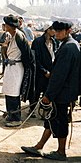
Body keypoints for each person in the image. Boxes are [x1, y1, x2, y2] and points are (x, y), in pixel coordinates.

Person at [21, 20, 80, 161]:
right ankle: (39, 146)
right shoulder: (70, 45)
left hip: (62, 92)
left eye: (60, 31)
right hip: (65, 91)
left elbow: (59, 76)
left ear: (68, 31)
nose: (56, 33)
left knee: (59, 121)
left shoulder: (67, 48)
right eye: (55, 30)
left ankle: (61, 152)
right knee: (51, 118)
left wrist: (49, 95)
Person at [1, 14, 35, 127]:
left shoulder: (19, 36)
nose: (4, 26)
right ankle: (10, 114)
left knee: (14, 92)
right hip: (10, 67)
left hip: (16, 67)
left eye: (6, 24)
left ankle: (16, 118)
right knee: (8, 91)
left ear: (10, 25)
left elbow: (27, 54)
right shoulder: (10, 35)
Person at [28, 21, 57, 118]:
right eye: (53, 29)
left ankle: (44, 111)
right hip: (39, 72)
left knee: (46, 92)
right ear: (47, 30)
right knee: (36, 92)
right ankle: (32, 110)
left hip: (50, 72)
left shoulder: (54, 41)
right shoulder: (38, 42)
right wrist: (44, 71)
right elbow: (35, 59)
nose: (54, 31)